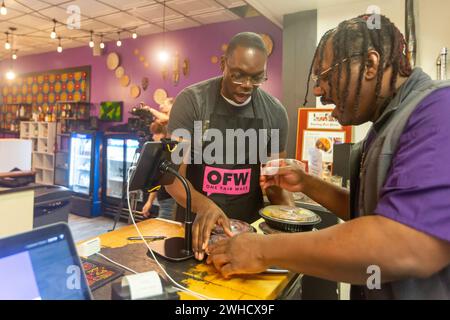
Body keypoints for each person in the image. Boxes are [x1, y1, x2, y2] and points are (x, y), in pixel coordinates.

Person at [207, 15, 450, 300]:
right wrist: (307, 183)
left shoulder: (438, 109)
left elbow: (408, 243)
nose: (319, 90)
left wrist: (262, 250)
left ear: (370, 65)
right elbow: (367, 213)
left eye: (325, 76)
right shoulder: (382, 127)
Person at [166, 32, 292, 260]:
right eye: (238, 75)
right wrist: (205, 206)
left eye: (256, 78)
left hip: (247, 235)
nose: (246, 85)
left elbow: (275, 182)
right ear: (223, 64)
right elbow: (173, 179)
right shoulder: (192, 102)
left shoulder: (274, 112)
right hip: (194, 229)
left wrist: (291, 220)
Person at [141, 121, 176, 220]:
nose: (153, 137)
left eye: (155, 133)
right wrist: (149, 202)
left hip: (169, 200)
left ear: (164, 134)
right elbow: (157, 180)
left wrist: (149, 202)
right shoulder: (165, 153)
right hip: (165, 199)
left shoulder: (170, 154)